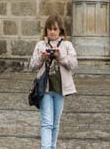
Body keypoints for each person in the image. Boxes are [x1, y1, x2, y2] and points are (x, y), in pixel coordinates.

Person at [29, 14, 78, 149]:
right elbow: (32, 65)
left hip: (60, 89)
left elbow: (74, 64)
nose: (52, 32)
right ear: (46, 30)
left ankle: (52, 146)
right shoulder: (40, 45)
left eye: (55, 29)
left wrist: (60, 56)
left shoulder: (67, 45)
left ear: (60, 30)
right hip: (44, 88)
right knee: (47, 122)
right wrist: (41, 57)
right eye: (49, 29)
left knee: (55, 123)